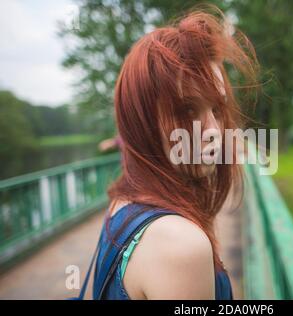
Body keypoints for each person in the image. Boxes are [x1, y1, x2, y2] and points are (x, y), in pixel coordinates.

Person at [92, 5, 259, 300]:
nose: (213, 131)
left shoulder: (122, 203)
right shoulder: (180, 244)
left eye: (217, 110)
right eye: (188, 109)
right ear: (142, 122)